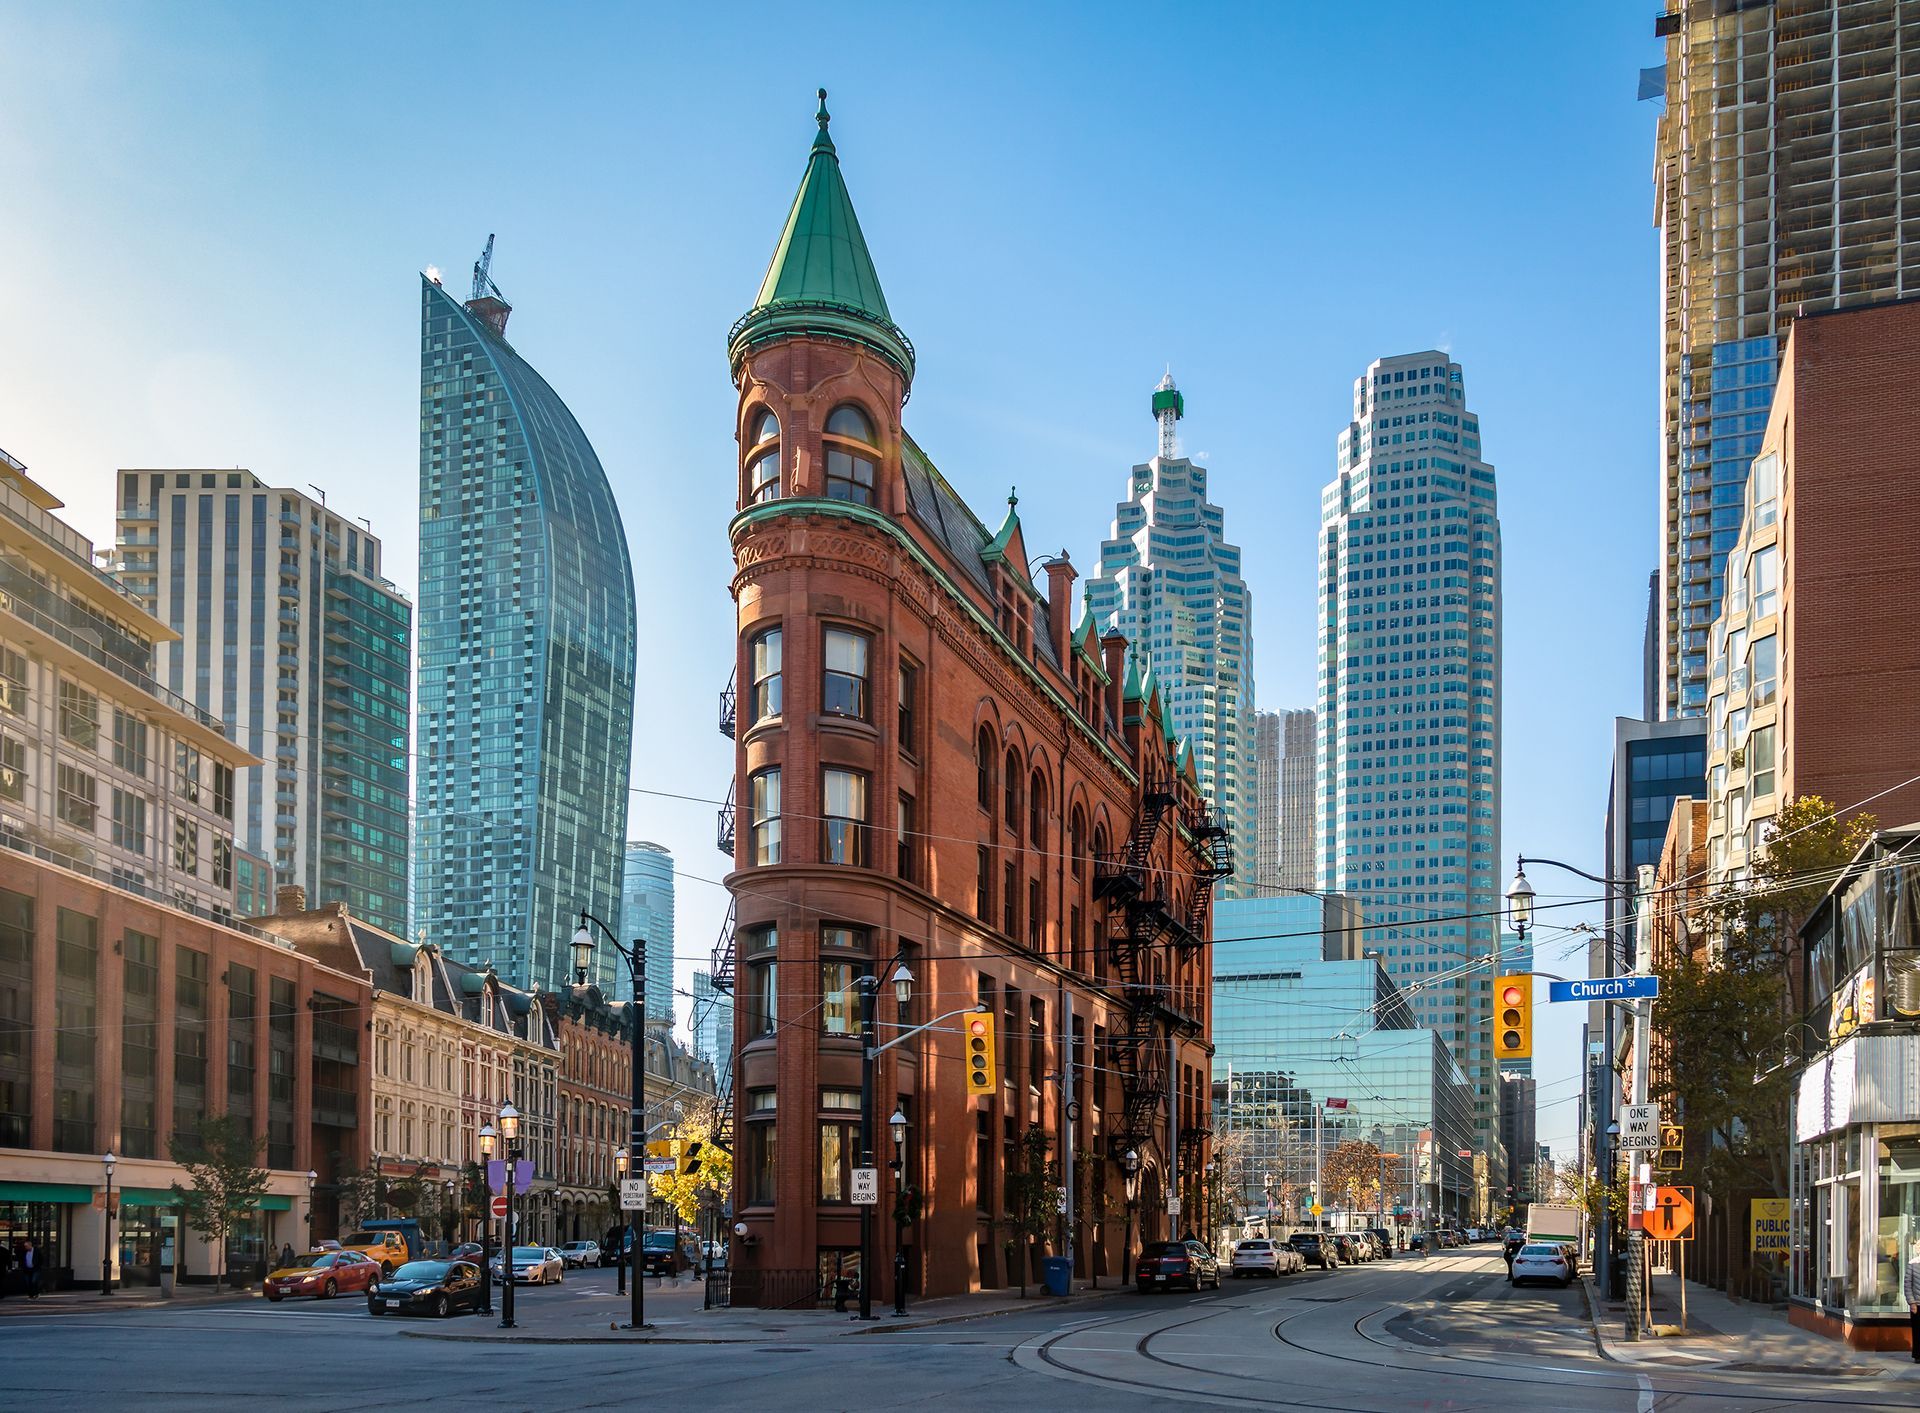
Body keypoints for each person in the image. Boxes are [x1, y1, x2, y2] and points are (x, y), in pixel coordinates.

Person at [1904, 1237, 1920, 1364]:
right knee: (1917, 1331)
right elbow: (1907, 1285)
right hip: (1917, 1304)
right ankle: (1918, 1355)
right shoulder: (1912, 1263)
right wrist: (1912, 1302)